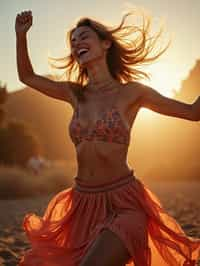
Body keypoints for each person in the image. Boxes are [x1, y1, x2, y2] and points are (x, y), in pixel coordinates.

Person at [15, 8, 200, 266]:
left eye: (83, 36)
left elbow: (193, 112)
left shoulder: (133, 93)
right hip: (82, 205)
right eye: (73, 40)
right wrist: (20, 35)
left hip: (124, 203)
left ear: (106, 44)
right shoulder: (74, 93)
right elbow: (28, 77)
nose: (76, 42)